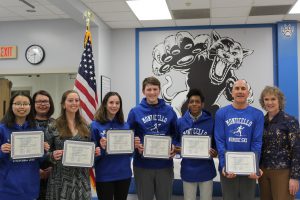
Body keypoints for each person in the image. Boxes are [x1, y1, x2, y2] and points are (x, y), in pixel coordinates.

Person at [127, 76, 178, 200]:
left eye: (155, 89)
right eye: (149, 89)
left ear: (159, 90)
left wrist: (174, 146)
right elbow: (128, 136)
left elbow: (176, 134)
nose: (152, 92)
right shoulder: (135, 111)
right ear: (144, 91)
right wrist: (135, 143)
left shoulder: (170, 111)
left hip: (164, 165)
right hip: (142, 165)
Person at [214, 79, 264, 200]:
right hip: (228, 168)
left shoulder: (257, 114)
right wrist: (224, 164)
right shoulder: (221, 113)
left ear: (248, 93)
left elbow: (257, 142)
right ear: (232, 92)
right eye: (237, 88)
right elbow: (220, 141)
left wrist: (254, 165)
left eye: (243, 89)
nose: (240, 91)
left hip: (248, 169)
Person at [0, 92, 50, 200]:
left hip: (30, 188)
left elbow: (40, 160)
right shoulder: (2, 129)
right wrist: (1, 151)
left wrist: (44, 151)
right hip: (7, 189)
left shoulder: (37, 131)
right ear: (11, 106)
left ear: (30, 107)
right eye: (17, 103)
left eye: (25, 104)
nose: (22, 107)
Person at [45, 90, 92, 200]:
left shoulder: (87, 127)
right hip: (60, 178)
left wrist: (95, 152)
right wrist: (52, 155)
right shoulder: (53, 126)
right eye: (70, 100)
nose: (74, 103)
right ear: (63, 104)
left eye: (76, 100)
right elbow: (44, 152)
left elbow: (90, 149)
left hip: (81, 179)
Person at [258, 86, 300, 200]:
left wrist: (295, 177)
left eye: (273, 99)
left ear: (279, 101)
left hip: (283, 172)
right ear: (263, 102)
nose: (269, 102)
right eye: (266, 99)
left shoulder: (290, 121)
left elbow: (297, 150)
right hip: (263, 172)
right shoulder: (261, 121)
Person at [176, 88, 217, 200]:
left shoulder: (211, 122)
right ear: (188, 104)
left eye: (197, 101)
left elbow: (216, 144)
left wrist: (214, 152)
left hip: (206, 169)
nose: (194, 104)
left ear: (202, 104)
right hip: (188, 168)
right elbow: (175, 141)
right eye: (191, 101)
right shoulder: (180, 122)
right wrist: (177, 148)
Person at [91, 91, 132, 200]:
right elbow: (91, 156)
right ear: (105, 104)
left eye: (117, 103)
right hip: (105, 175)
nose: (114, 106)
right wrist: (102, 149)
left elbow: (129, 153)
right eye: (111, 102)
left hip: (124, 173)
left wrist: (134, 145)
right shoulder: (95, 125)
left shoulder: (125, 125)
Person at [33, 90, 55, 200]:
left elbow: (61, 147)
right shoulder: (27, 124)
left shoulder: (57, 123)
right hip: (31, 173)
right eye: (39, 101)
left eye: (45, 101)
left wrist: (54, 168)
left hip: (53, 173)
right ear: (33, 104)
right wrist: (35, 169)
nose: (42, 104)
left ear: (50, 104)